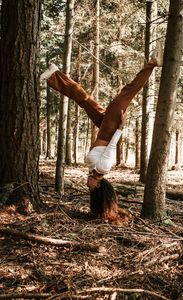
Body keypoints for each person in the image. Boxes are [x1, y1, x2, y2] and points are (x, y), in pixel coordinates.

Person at [40, 42, 163, 223]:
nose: (87, 185)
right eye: (90, 188)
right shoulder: (103, 168)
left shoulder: (94, 169)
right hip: (110, 129)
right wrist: (120, 127)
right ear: (97, 185)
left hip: (103, 127)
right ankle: (153, 63)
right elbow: (112, 146)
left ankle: (55, 75)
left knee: (84, 100)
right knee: (126, 93)